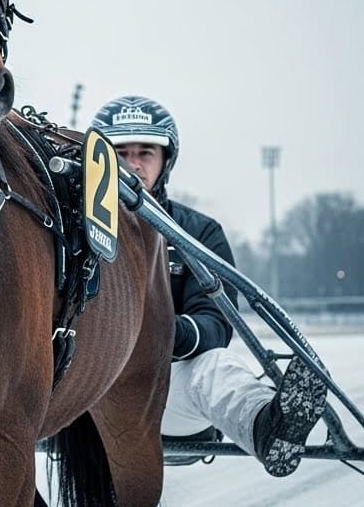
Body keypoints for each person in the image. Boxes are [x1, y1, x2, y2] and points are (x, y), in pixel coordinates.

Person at [90, 95, 327, 477]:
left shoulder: (198, 233)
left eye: (145, 153)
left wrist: (155, 332)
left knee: (215, 367)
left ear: (167, 160)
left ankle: (269, 427)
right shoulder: (72, 229)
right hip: (82, 398)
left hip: (164, 395)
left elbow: (216, 327)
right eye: (120, 152)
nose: (132, 164)